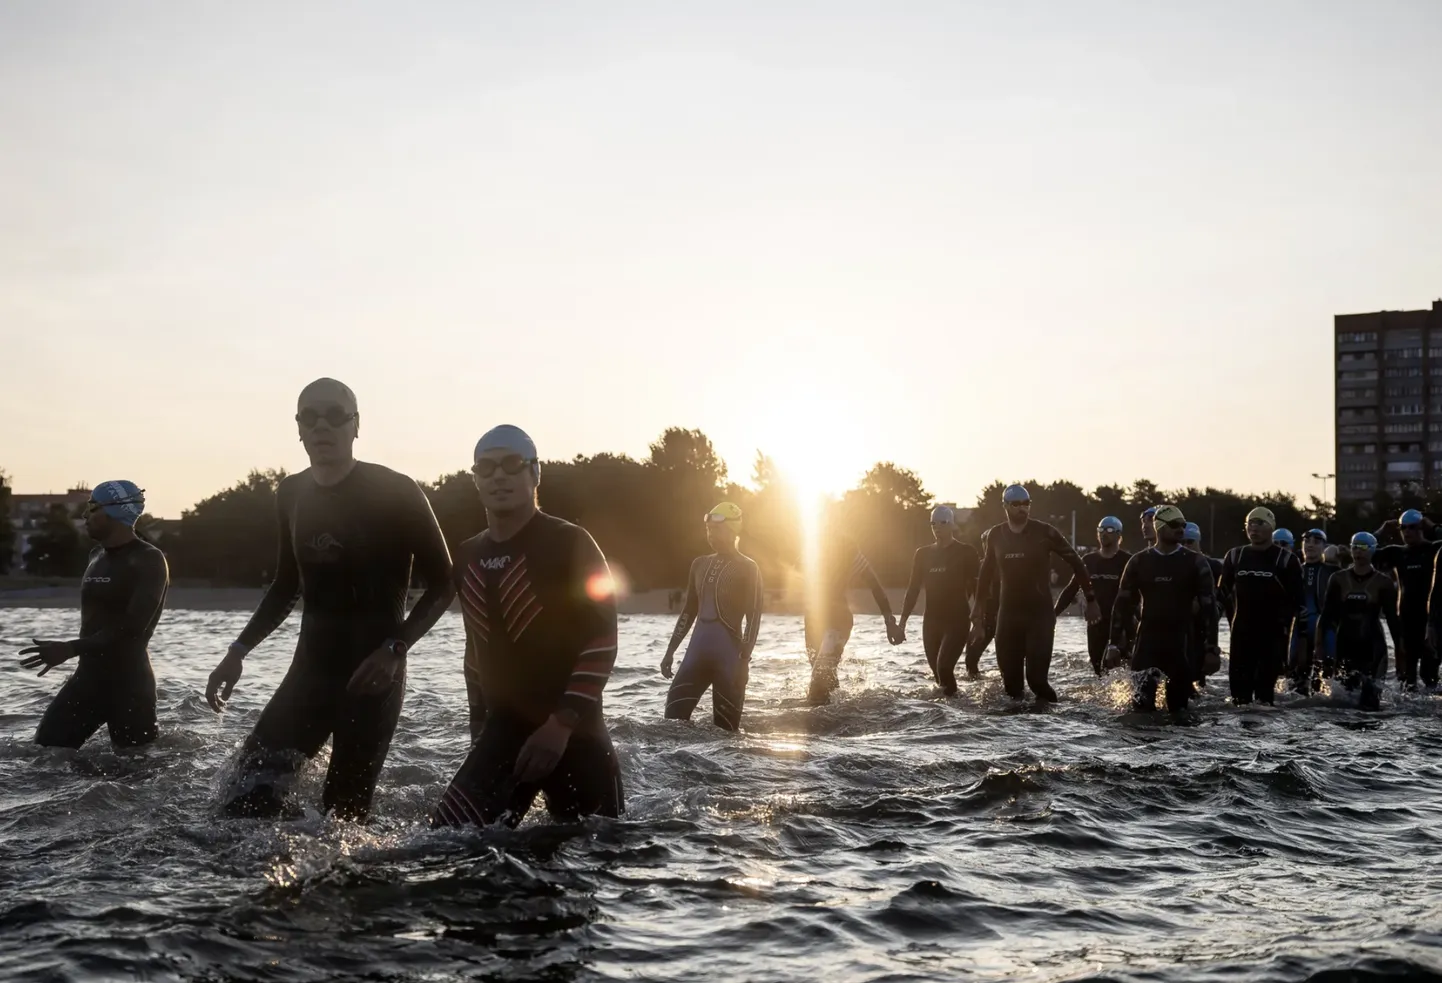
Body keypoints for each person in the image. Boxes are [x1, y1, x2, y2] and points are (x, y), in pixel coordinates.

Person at [206, 379, 455, 821]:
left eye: (335, 414)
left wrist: (395, 649)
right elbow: (286, 585)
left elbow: (444, 583)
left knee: (344, 815)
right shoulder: (291, 493)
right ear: (298, 428)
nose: (322, 425)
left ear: (356, 425)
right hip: (310, 671)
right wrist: (237, 651)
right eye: (309, 416)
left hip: (373, 674)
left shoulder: (395, 490)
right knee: (244, 797)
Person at [433, 425, 624, 827]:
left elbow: (602, 640)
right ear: (475, 479)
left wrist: (561, 725)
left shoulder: (571, 542)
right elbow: (475, 652)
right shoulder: (467, 556)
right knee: (445, 848)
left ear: (535, 474)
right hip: (503, 736)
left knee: (597, 862)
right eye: (486, 467)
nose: (498, 475)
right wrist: (477, 726)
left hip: (578, 739)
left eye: (511, 464)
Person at [21, 481, 169, 749]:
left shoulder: (149, 560)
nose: (85, 515)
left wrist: (69, 648)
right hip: (87, 679)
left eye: (92, 507)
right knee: (44, 754)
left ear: (115, 511)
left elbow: (133, 626)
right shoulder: (96, 556)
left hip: (130, 686)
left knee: (134, 778)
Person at [972, 484, 1099, 702]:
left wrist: (1091, 598)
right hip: (1008, 617)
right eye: (1016, 504)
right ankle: (1017, 735)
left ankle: (1051, 729)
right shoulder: (996, 535)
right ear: (1005, 506)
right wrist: (977, 610)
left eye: (1026, 503)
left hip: (1039, 616)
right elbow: (985, 575)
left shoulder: (1045, 532)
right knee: (1011, 687)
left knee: (1037, 681)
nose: (1023, 508)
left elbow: (1077, 563)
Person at [660, 502, 764, 729]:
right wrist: (670, 651)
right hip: (694, 658)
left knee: (726, 736)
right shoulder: (699, 564)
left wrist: (744, 661)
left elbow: (754, 617)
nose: (711, 535)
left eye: (716, 529)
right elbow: (689, 610)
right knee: (670, 728)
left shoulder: (748, 568)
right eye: (708, 530)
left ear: (733, 530)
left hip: (730, 662)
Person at [1104, 505, 1218, 712]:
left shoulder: (1195, 562)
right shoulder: (1138, 562)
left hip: (1181, 644)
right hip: (1148, 641)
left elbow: (1209, 607)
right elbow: (1122, 604)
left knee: (1179, 712)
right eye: (1175, 525)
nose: (1181, 530)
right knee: (1141, 709)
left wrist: (1212, 649)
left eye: (1182, 525)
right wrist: (1113, 645)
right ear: (1159, 527)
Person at [803, 510, 903, 705]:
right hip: (813, 620)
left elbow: (874, 583)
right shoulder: (810, 545)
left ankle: (821, 727)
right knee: (824, 677)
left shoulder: (847, 547)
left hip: (838, 621)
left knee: (819, 680)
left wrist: (889, 622)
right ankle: (835, 720)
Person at [1217, 507, 1305, 706]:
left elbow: (1299, 605)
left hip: (1272, 636)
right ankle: (1241, 737)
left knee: (1264, 697)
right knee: (1239, 699)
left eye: (1260, 523)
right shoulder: (1235, 556)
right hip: (1241, 633)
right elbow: (1220, 596)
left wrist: (1299, 647)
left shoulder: (1286, 560)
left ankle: (1264, 736)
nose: (1254, 528)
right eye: (1250, 523)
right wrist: (1207, 638)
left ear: (1271, 527)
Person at [898, 506, 979, 695]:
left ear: (952, 525)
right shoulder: (923, 554)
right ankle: (947, 716)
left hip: (957, 620)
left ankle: (957, 716)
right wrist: (902, 623)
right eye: (933, 523)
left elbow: (977, 588)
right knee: (937, 674)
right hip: (931, 621)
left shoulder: (966, 552)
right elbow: (913, 589)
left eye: (942, 523)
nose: (937, 527)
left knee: (944, 668)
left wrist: (979, 621)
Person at [1316, 532, 1401, 710]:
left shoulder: (1383, 583)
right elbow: (1326, 618)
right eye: (1354, 547)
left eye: (1363, 547)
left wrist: (1401, 654)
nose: (1358, 551)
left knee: (1370, 704)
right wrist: (1320, 649)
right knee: (1342, 704)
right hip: (1345, 647)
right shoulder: (1338, 579)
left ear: (1372, 550)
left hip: (1373, 649)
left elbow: (1393, 621)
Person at [1373, 509, 1441, 690]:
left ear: (1422, 528)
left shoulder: (1434, 549)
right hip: (1406, 620)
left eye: (1412, 527)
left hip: (1430, 621)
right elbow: (1365, 550)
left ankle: (1430, 714)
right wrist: (1381, 531)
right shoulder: (1397, 553)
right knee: (1407, 678)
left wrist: (1433, 527)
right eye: (1403, 528)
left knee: (1429, 675)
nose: (1407, 532)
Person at [1054, 516, 1131, 676]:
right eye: (1101, 530)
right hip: (1095, 624)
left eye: (1109, 530)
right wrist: (1053, 614)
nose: (1104, 534)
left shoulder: (1127, 561)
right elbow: (1071, 589)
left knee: (1123, 669)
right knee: (1099, 671)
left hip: (1121, 624)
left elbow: (1138, 594)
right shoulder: (1089, 560)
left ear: (1119, 535)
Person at [1288, 529, 1338, 694]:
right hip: (1298, 629)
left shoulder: (1332, 571)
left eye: (1316, 542)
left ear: (1324, 546)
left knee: (1327, 675)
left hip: (1325, 629)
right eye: (1307, 541)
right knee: (1295, 679)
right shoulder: (1293, 570)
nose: (1310, 545)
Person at [1182, 521, 1225, 686]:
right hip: (1183, 624)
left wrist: (1211, 610)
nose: (1186, 546)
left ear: (1198, 541)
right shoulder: (1177, 563)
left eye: (1190, 542)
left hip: (1204, 624)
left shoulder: (1213, 566)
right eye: (1182, 542)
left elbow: (1224, 597)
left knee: (1198, 672)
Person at [963, 527, 1000, 678]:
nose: (988, 546)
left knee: (1007, 659)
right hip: (983, 619)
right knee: (970, 659)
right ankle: (975, 685)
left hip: (1004, 617)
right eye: (986, 543)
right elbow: (967, 592)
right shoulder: (977, 567)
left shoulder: (1006, 565)